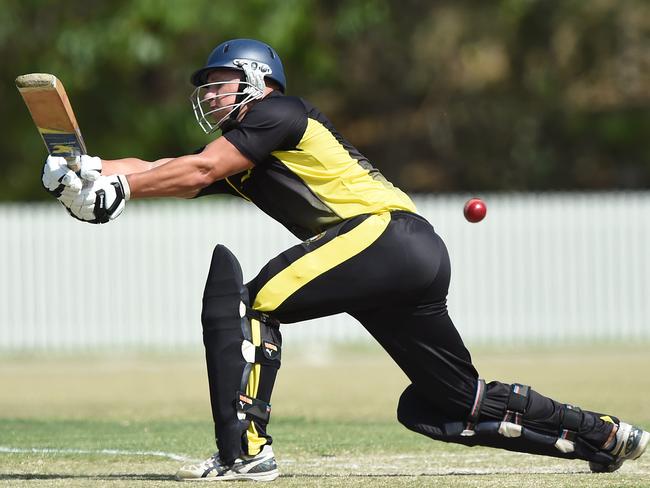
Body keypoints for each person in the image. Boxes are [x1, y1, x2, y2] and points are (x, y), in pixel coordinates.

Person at [42, 38, 648, 482]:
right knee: (449, 404)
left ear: (257, 80)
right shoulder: (248, 147)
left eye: (221, 80)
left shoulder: (277, 112)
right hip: (409, 255)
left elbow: (195, 169)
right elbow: (158, 169)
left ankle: (246, 451)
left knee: (250, 302)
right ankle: (601, 435)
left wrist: (114, 192)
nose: (211, 92)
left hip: (383, 237)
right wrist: (88, 172)